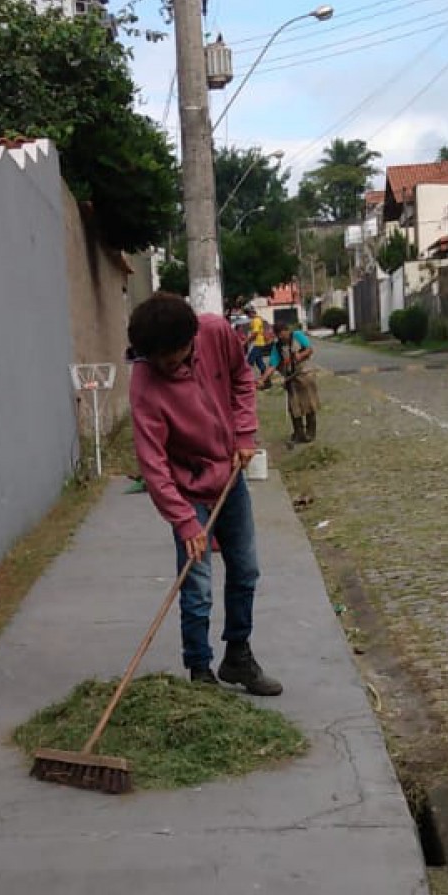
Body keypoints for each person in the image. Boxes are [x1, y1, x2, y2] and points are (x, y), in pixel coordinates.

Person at [127, 292, 283, 695]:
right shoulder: (145, 382)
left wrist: (244, 433)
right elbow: (153, 462)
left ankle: (238, 656)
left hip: (230, 475)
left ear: (189, 340)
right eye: (155, 359)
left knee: (245, 569)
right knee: (196, 584)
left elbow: (241, 379)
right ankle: (200, 671)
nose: (164, 367)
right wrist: (184, 521)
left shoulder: (215, 333)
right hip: (187, 489)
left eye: (170, 358)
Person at [270, 324, 319, 444]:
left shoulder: (297, 336)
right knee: (294, 407)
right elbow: (273, 364)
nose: (282, 337)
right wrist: (263, 378)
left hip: (305, 375)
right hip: (291, 378)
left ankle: (310, 433)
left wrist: (300, 355)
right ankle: (299, 433)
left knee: (309, 405)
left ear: (287, 330)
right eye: (279, 335)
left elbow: (309, 349)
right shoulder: (278, 346)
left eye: (283, 333)